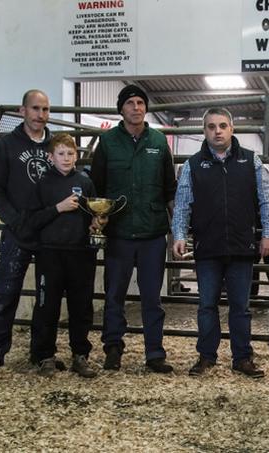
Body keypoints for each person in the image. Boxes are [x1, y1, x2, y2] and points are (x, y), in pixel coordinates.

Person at [172, 107, 269, 379]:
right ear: (204, 131)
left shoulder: (251, 162)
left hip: (242, 246)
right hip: (208, 247)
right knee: (207, 304)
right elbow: (183, 204)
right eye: (210, 126)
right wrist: (179, 235)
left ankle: (242, 358)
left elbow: (267, 199)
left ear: (231, 128)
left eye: (222, 125)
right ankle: (207, 356)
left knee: (240, 306)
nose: (217, 131)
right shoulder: (192, 166)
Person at [90, 84, 176, 373]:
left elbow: (169, 189)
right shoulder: (107, 142)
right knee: (114, 295)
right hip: (119, 231)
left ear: (146, 108)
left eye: (141, 102)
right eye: (130, 103)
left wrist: (177, 229)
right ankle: (113, 349)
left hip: (152, 232)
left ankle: (155, 353)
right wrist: (98, 218)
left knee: (153, 297)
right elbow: (97, 187)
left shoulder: (159, 142)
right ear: (121, 109)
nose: (136, 107)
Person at [0, 89, 53, 377]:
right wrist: (14, 220)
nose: (40, 115)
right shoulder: (6, 145)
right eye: (35, 109)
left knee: (46, 297)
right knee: (6, 294)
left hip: (49, 234)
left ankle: (42, 354)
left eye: (45, 110)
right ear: (22, 111)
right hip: (17, 232)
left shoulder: (56, 145)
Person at [26, 133, 98, 378]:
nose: (66, 158)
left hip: (80, 253)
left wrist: (98, 222)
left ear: (76, 155)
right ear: (50, 157)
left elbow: (93, 213)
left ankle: (80, 355)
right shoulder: (42, 184)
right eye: (61, 154)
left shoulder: (85, 183)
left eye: (70, 153)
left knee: (81, 306)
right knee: (48, 306)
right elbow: (32, 220)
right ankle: (44, 355)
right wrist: (59, 207)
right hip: (50, 253)